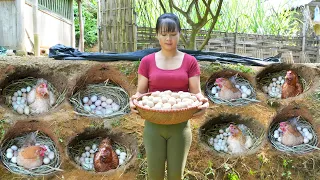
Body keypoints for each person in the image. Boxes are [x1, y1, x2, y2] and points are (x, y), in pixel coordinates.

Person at [130, 13, 209, 180]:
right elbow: (141, 93)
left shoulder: (190, 62)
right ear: (157, 34)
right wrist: (134, 101)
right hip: (153, 127)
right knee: (154, 176)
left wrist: (202, 104)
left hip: (180, 128)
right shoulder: (147, 62)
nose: (168, 39)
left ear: (179, 33)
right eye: (164, 34)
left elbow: (196, 94)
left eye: (173, 34)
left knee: (176, 176)